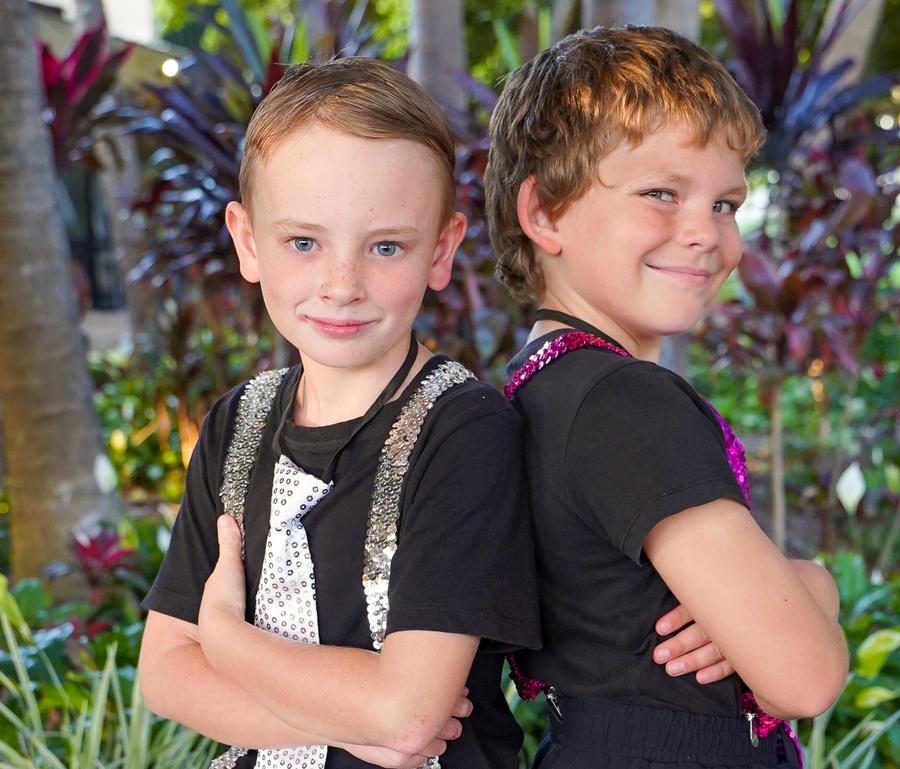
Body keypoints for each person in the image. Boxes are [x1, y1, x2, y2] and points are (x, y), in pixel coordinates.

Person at [138, 57, 542, 769]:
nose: (342, 284)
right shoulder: (238, 424)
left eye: (385, 246)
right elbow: (166, 671)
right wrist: (353, 725)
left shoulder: (462, 429)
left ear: (441, 250)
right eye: (304, 242)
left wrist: (228, 642)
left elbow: (410, 712)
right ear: (248, 241)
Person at [485, 26, 849, 768]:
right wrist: (811, 584)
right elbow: (805, 677)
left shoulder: (542, 387)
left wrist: (756, 614)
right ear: (545, 214)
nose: (705, 234)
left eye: (726, 203)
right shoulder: (626, 402)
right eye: (661, 193)